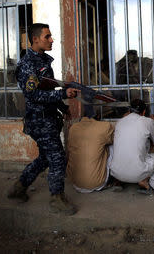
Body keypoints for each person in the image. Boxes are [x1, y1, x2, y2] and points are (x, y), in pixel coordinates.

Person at [7, 23, 79, 215]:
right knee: (57, 158)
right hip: (39, 120)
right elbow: (33, 96)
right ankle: (57, 198)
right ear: (36, 39)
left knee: (45, 158)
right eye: (47, 36)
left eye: (51, 36)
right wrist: (63, 94)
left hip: (49, 118)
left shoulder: (43, 61)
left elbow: (47, 89)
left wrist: (62, 106)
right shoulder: (27, 65)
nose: (51, 39)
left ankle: (19, 187)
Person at [109, 99, 154, 193]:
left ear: (129, 111)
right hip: (138, 173)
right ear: (143, 112)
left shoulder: (120, 122)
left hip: (116, 172)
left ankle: (119, 181)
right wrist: (153, 123)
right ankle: (144, 180)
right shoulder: (148, 121)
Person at [67, 113, 114, 193]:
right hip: (97, 183)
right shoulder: (104, 127)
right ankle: (117, 177)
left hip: (75, 183)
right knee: (110, 146)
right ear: (98, 117)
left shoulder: (73, 128)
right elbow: (113, 140)